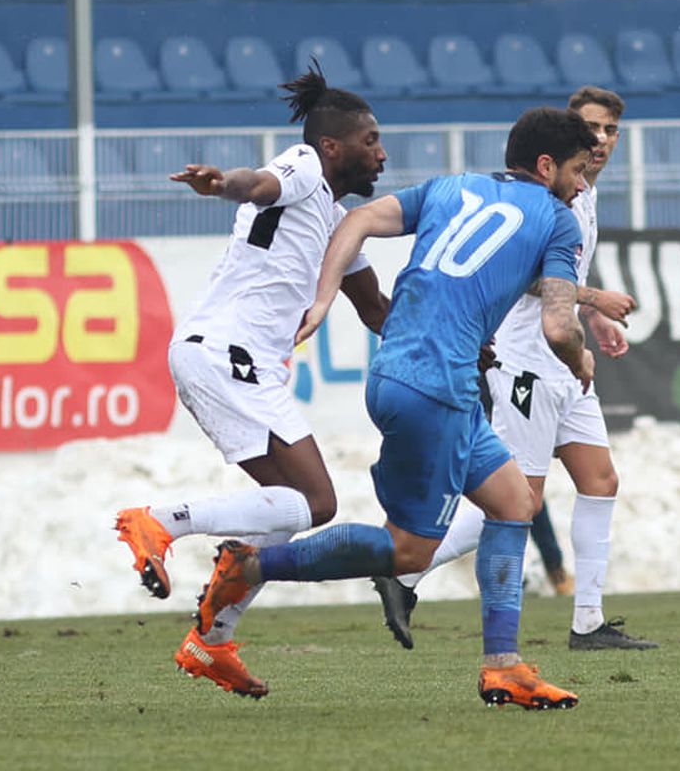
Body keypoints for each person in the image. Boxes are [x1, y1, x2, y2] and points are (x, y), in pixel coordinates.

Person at [193, 105, 600, 710]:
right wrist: (580, 361)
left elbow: (354, 219)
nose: (582, 185)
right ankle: (250, 567)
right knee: (409, 550)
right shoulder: (558, 221)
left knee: (514, 501)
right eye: (576, 171)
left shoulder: (451, 188)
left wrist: (326, 296)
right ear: (546, 166)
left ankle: (505, 665)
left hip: (403, 374)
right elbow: (560, 326)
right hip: (436, 389)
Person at [112, 62, 389, 699]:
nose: (381, 152)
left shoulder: (341, 219)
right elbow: (259, 184)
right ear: (332, 145)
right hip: (225, 351)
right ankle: (160, 520)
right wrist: (224, 185)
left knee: (296, 510)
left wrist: (451, 346)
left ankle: (210, 639)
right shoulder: (302, 167)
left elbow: (376, 309)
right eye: (370, 139)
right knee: (315, 502)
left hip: (241, 362)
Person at [372, 86, 657, 652]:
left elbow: (562, 281)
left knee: (600, 481)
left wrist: (591, 321)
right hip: (526, 361)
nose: (599, 141)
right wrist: (595, 299)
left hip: (567, 363)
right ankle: (404, 571)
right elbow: (527, 276)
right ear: (567, 136)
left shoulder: (584, 195)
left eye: (610, 131)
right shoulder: (551, 194)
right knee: (517, 501)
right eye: (590, 129)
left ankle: (588, 622)